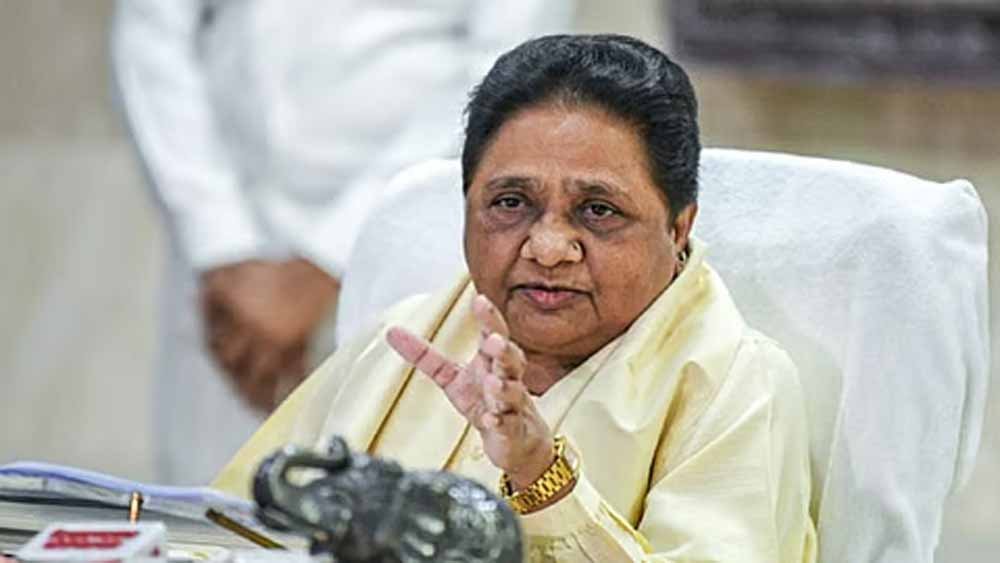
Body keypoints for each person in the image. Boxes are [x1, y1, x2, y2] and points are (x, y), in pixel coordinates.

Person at [214, 34, 817, 561]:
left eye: (598, 210)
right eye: (511, 203)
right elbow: (222, 533)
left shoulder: (735, 384)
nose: (548, 248)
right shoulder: (406, 339)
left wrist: (540, 475)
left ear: (679, 228)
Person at [110, 0, 573, 485]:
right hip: (234, 255)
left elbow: (505, 65)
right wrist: (220, 240)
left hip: (422, 228)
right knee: (213, 496)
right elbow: (151, 31)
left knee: (407, 488)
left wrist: (331, 253)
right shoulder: (224, 252)